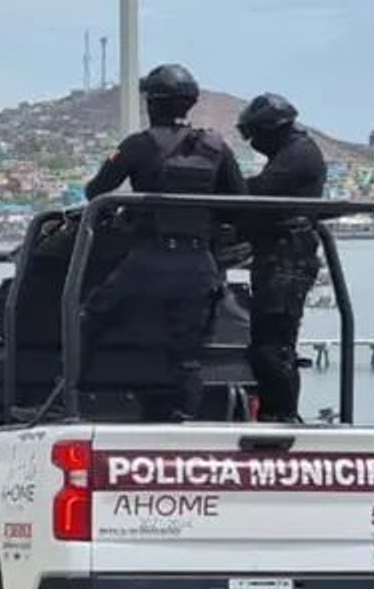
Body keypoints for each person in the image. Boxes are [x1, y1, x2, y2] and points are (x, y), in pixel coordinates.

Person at [82, 63, 246, 421]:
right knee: (188, 352)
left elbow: (95, 190)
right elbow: (239, 202)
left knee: (89, 317)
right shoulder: (217, 148)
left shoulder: (138, 145)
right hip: (198, 263)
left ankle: (70, 396)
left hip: (148, 261)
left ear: (151, 103)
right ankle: (182, 416)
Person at [235, 92, 327, 422]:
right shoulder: (291, 152)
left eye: (254, 134)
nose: (253, 142)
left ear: (271, 128)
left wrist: (222, 185)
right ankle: (275, 412)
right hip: (278, 257)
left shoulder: (298, 154)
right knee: (268, 343)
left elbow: (256, 191)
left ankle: (282, 415)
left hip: (288, 260)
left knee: (274, 345)